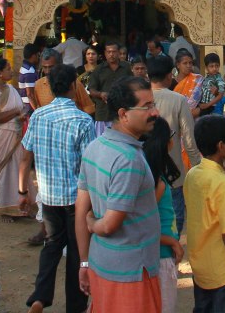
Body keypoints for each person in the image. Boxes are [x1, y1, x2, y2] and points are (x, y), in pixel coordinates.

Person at [76, 77, 162, 311]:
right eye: (147, 107)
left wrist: (84, 261)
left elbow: (81, 207)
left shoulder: (95, 147)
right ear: (123, 114)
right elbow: (108, 224)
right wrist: (93, 224)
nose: (155, 112)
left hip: (101, 262)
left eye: (153, 105)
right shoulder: (129, 159)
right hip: (131, 272)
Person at [19, 64, 95, 313]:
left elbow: (25, 157)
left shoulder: (38, 116)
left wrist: (22, 192)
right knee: (76, 250)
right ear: (74, 86)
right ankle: (76, 305)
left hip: (49, 195)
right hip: (76, 198)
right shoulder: (83, 120)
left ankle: (40, 297)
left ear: (50, 87)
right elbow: (89, 165)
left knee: (52, 244)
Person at [184, 114, 225, 312]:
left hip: (201, 266)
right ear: (220, 145)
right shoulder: (222, 183)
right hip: (223, 270)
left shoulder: (193, 174)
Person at [148, 55, 201, 235]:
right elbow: (189, 138)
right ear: (170, 75)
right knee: (174, 218)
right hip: (174, 171)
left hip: (145, 169)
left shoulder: (139, 99)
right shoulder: (178, 100)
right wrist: (196, 167)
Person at [140, 117, 184, 313]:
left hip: (162, 254)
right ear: (165, 142)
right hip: (161, 255)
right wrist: (172, 242)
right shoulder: (156, 183)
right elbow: (140, 225)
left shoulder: (155, 177)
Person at [0, 55, 29, 219]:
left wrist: (21, 115)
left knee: (19, 168)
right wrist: (16, 113)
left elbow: (20, 109)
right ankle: (5, 207)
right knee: (4, 169)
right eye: (8, 69)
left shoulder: (11, 89)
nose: (12, 71)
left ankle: (21, 204)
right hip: (2, 135)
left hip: (15, 133)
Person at [86, 42, 132, 136]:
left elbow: (132, 85)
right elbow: (91, 90)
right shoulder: (99, 69)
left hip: (123, 113)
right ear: (105, 53)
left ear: (119, 53)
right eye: (109, 52)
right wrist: (101, 94)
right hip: (104, 113)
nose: (111, 54)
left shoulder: (126, 67)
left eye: (114, 52)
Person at [172, 49, 202, 115]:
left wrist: (198, 111)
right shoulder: (171, 83)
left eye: (190, 63)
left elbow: (204, 103)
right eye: (185, 63)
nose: (188, 66)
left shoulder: (198, 80)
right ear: (178, 65)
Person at [19, 43, 41, 107]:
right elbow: (30, 94)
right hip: (29, 105)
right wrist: (36, 110)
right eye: (38, 55)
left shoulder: (24, 67)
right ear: (33, 56)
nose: (38, 57)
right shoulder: (29, 71)